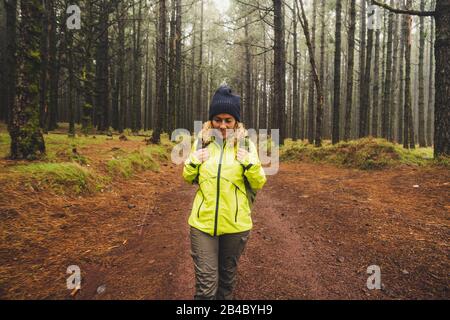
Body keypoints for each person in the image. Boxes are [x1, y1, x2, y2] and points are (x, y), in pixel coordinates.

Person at [182, 85, 267, 300]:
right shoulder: (201, 142)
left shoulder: (247, 145)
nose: (222, 125)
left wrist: (249, 163)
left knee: (226, 283)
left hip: (236, 226)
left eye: (228, 120)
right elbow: (188, 177)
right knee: (206, 288)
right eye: (217, 119)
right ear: (211, 120)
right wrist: (192, 162)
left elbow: (258, 182)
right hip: (202, 225)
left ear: (236, 121)